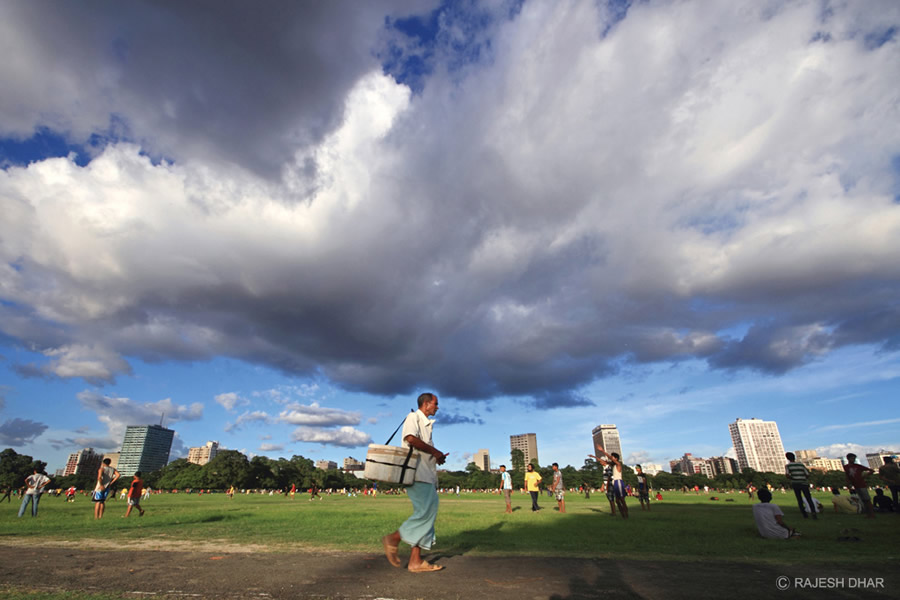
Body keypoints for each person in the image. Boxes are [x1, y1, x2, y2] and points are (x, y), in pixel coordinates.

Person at [381, 392, 448, 573]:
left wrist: (437, 457)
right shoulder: (413, 417)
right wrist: (435, 452)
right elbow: (410, 438)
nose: (437, 407)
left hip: (426, 474)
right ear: (426, 404)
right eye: (435, 403)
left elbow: (422, 449)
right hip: (417, 474)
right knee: (426, 513)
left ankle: (415, 561)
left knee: (427, 514)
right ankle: (394, 538)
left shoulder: (426, 424)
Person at [590, 446, 627, 519]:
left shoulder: (618, 464)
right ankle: (623, 515)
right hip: (615, 483)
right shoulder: (612, 465)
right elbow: (603, 461)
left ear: (616, 458)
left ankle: (626, 515)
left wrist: (603, 451)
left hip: (618, 482)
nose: (611, 458)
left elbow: (609, 458)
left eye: (613, 457)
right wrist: (594, 457)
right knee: (617, 500)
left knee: (621, 500)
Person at [784, 452, 816, 520]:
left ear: (787, 458)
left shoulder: (788, 466)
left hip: (796, 483)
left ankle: (805, 514)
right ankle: (814, 514)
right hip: (804, 483)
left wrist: (793, 477)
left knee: (799, 499)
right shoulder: (801, 465)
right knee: (809, 499)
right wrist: (803, 478)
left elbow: (787, 475)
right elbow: (807, 474)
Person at [844, 453, 875, 518]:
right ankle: (868, 513)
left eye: (854, 458)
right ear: (848, 458)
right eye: (852, 458)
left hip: (861, 484)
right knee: (863, 500)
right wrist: (848, 484)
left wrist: (864, 476)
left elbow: (871, 470)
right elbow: (847, 476)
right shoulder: (846, 467)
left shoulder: (858, 466)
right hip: (855, 485)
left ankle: (871, 514)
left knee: (867, 499)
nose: (853, 460)